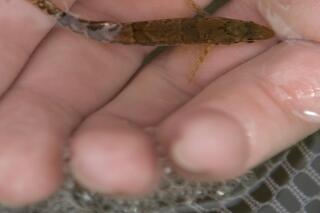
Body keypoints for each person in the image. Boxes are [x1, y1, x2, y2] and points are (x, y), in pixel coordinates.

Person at [0, 0, 319, 207]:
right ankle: (50, 9)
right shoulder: (209, 41)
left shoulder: (207, 28)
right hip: (124, 33)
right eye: (248, 36)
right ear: (223, 40)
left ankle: (51, 10)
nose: (251, 35)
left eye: (248, 36)